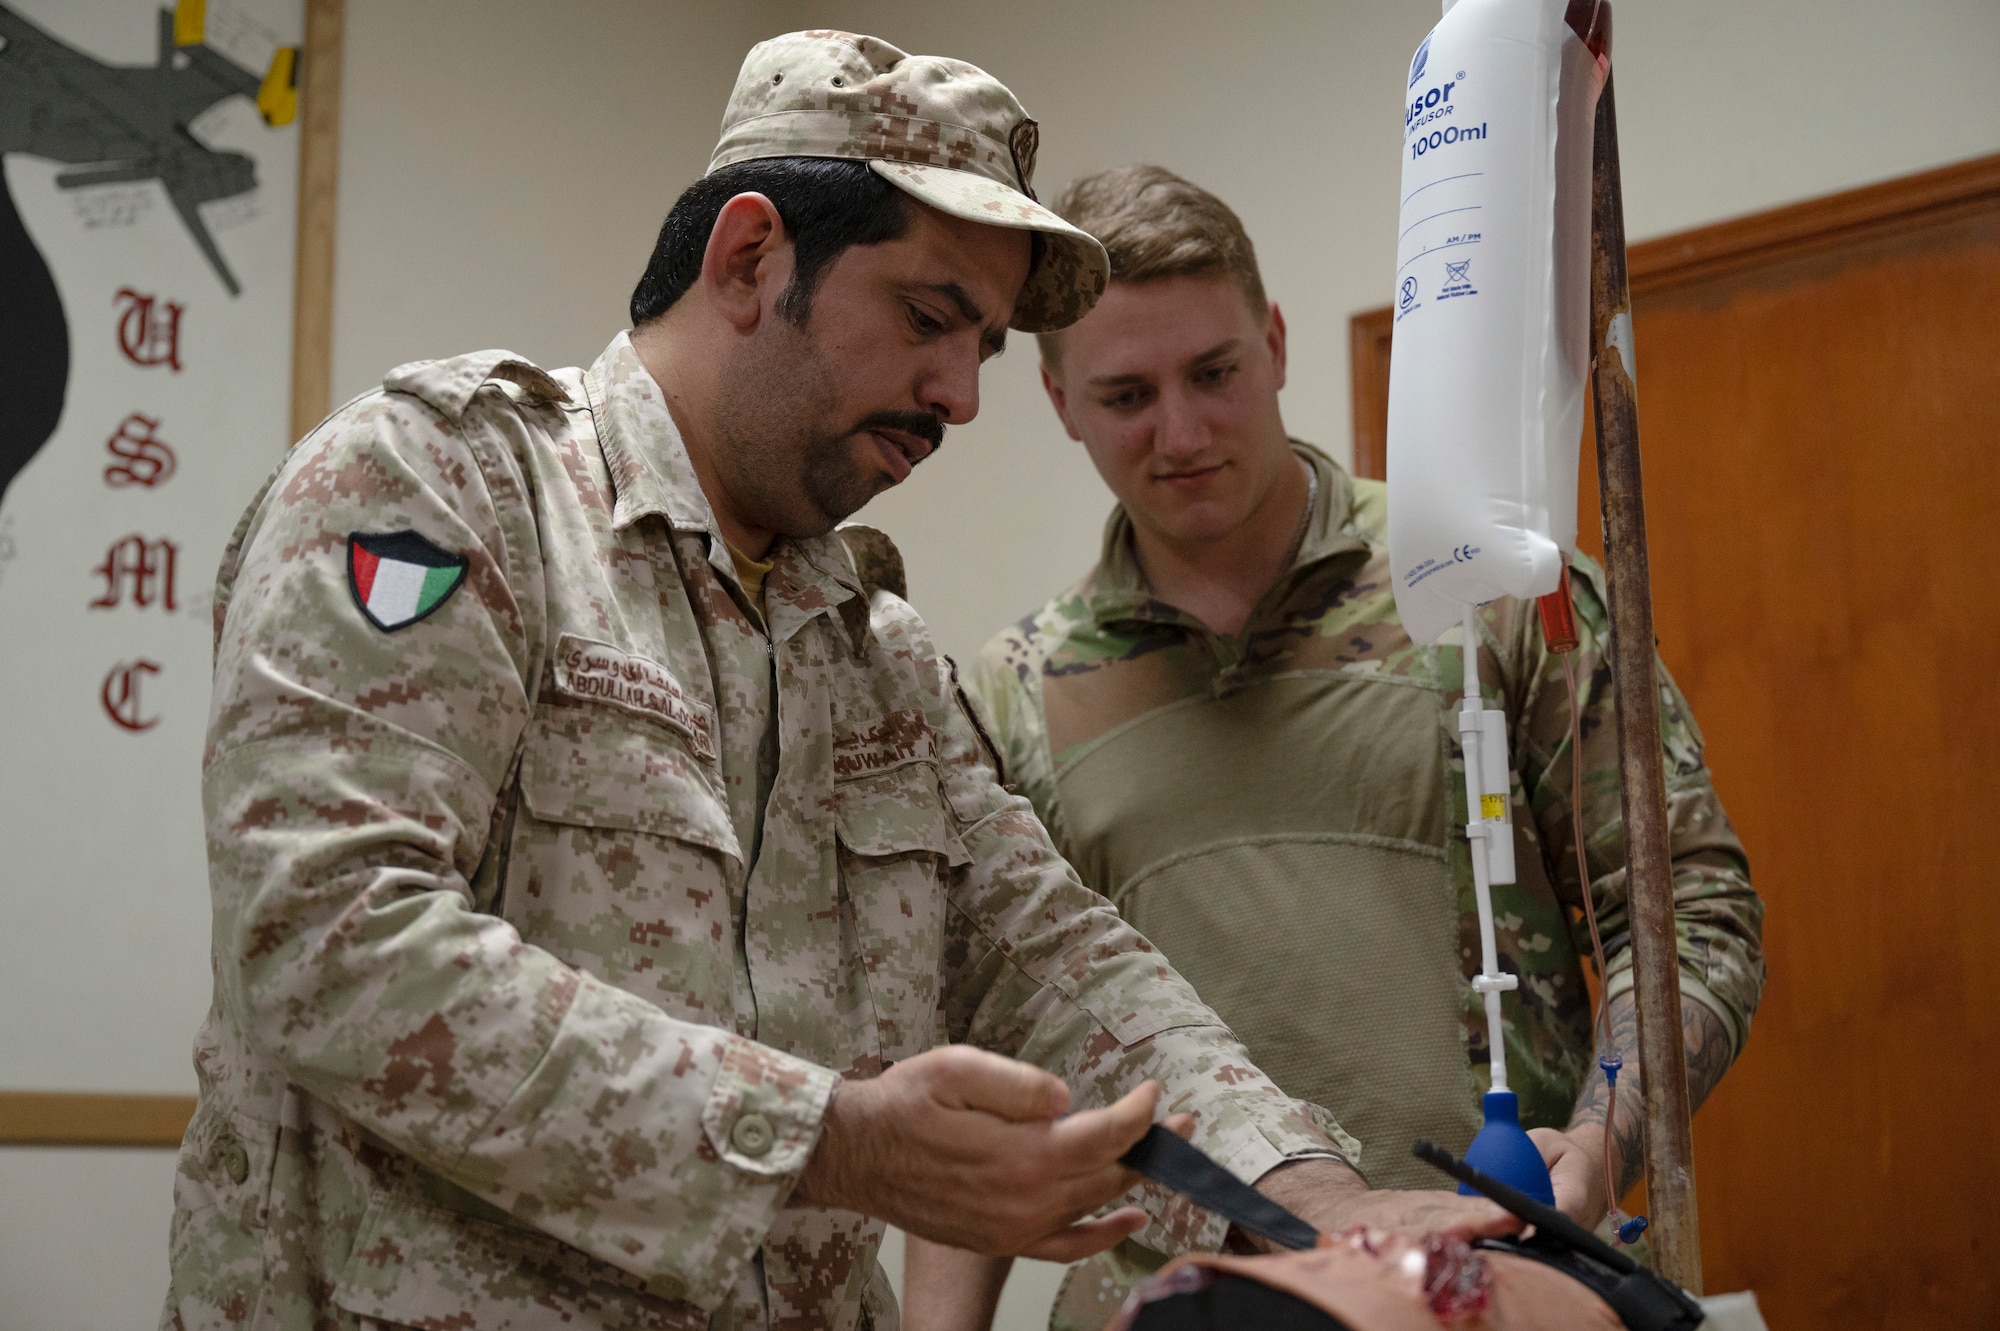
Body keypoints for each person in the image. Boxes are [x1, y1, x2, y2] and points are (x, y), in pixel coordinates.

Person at [161, 39, 1514, 1331]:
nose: (961, 395)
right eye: (930, 317)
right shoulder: (445, 492)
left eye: (982, 345)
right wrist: (828, 1139)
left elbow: (1058, 964)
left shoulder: (876, 654)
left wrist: (1320, 1205)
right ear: (751, 255)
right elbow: (330, 940)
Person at [903, 166, 1765, 1331]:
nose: (1183, 430)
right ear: (1058, 400)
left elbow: (1681, 913)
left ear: (1272, 340)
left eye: (1213, 373)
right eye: (1124, 395)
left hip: (1492, 1279)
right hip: (1179, 1307)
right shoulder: (1011, 692)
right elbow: (974, 1060)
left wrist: (1601, 1141)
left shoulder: (1487, 594)